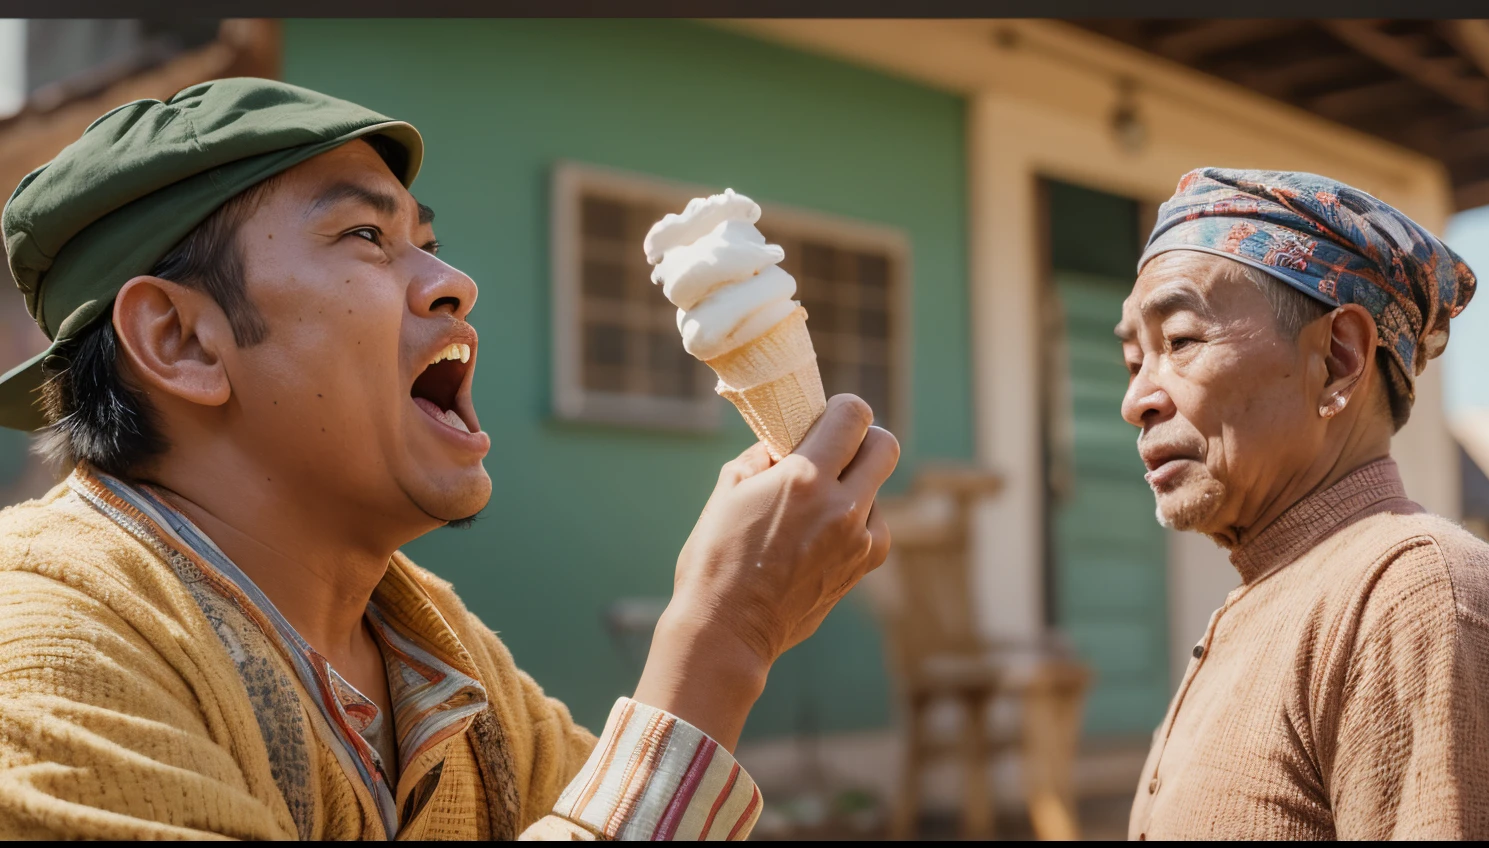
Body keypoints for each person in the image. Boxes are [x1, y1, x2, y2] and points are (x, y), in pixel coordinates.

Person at [0, 78, 899, 840]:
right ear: (183, 339)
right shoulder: (44, 649)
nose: (453, 282)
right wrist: (722, 644)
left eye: (425, 245)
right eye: (365, 237)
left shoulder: (429, 644)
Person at [1117, 168, 1489, 840]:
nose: (1137, 399)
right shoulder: (1272, 598)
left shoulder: (1413, 597)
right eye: (1134, 359)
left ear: (1339, 361)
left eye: (1182, 341)